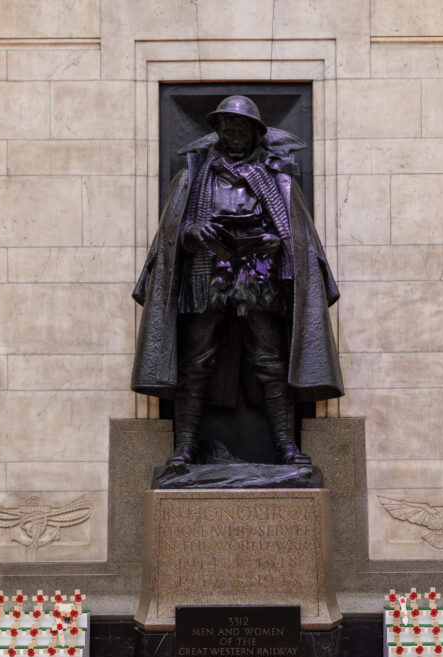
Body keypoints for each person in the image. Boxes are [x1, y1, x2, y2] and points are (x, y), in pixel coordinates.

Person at [131, 95, 343, 467]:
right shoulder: (193, 178)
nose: (234, 134)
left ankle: (286, 446)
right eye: (227, 128)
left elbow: (295, 236)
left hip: (260, 279)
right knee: (196, 363)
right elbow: (171, 235)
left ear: (255, 133)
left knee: (270, 361)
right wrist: (193, 233)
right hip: (206, 277)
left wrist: (275, 242)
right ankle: (184, 448)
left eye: (241, 127)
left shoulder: (276, 180)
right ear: (219, 132)